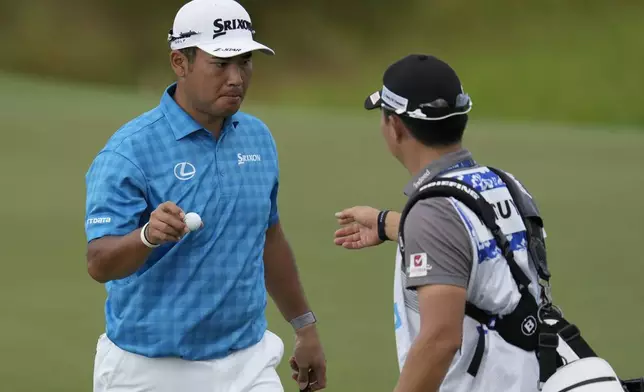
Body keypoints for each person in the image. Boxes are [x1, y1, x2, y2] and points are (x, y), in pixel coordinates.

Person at [83, 0, 326, 391]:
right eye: (220, 64)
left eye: (244, 61)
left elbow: (268, 236)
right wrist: (146, 236)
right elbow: (99, 262)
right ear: (180, 62)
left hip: (248, 363)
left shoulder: (257, 137)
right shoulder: (129, 151)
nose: (236, 78)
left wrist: (304, 326)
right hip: (148, 369)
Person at [332, 54, 546, 392]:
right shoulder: (502, 183)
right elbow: (470, 242)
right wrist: (388, 224)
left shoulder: (433, 213)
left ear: (395, 127)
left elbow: (440, 340)